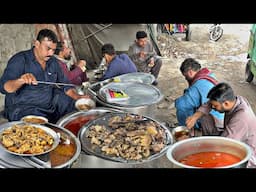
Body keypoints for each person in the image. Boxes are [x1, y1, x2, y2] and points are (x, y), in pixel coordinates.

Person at [0, 29, 90, 123]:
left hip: (49, 104)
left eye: (53, 50)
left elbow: (65, 84)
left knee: (75, 107)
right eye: (48, 49)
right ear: (37, 44)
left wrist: (77, 97)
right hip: (25, 107)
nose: (51, 53)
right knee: (40, 128)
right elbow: (4, 87)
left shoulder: (53, 62)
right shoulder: (20, 60)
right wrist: (20, 80)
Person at [186, 82, 256, 168]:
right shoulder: (235, 99)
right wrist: (194, 117)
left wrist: (196, 146)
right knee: (205, 117)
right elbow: (209, 104)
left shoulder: (241, 119)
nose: (213, 107)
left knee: (214, 160)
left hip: (244, 153)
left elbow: (225, 145)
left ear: (226, 103)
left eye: (215, 106)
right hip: (231, 136)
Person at [175, 58, 224, 131]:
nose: (186, 79)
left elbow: (181, 104)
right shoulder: (209, 75)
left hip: (215, 122)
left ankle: (185, 130)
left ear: (190, 72)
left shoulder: (198, 85)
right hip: (221, 116)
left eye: (185, 76)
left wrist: (177, 101)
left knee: (181, 107)